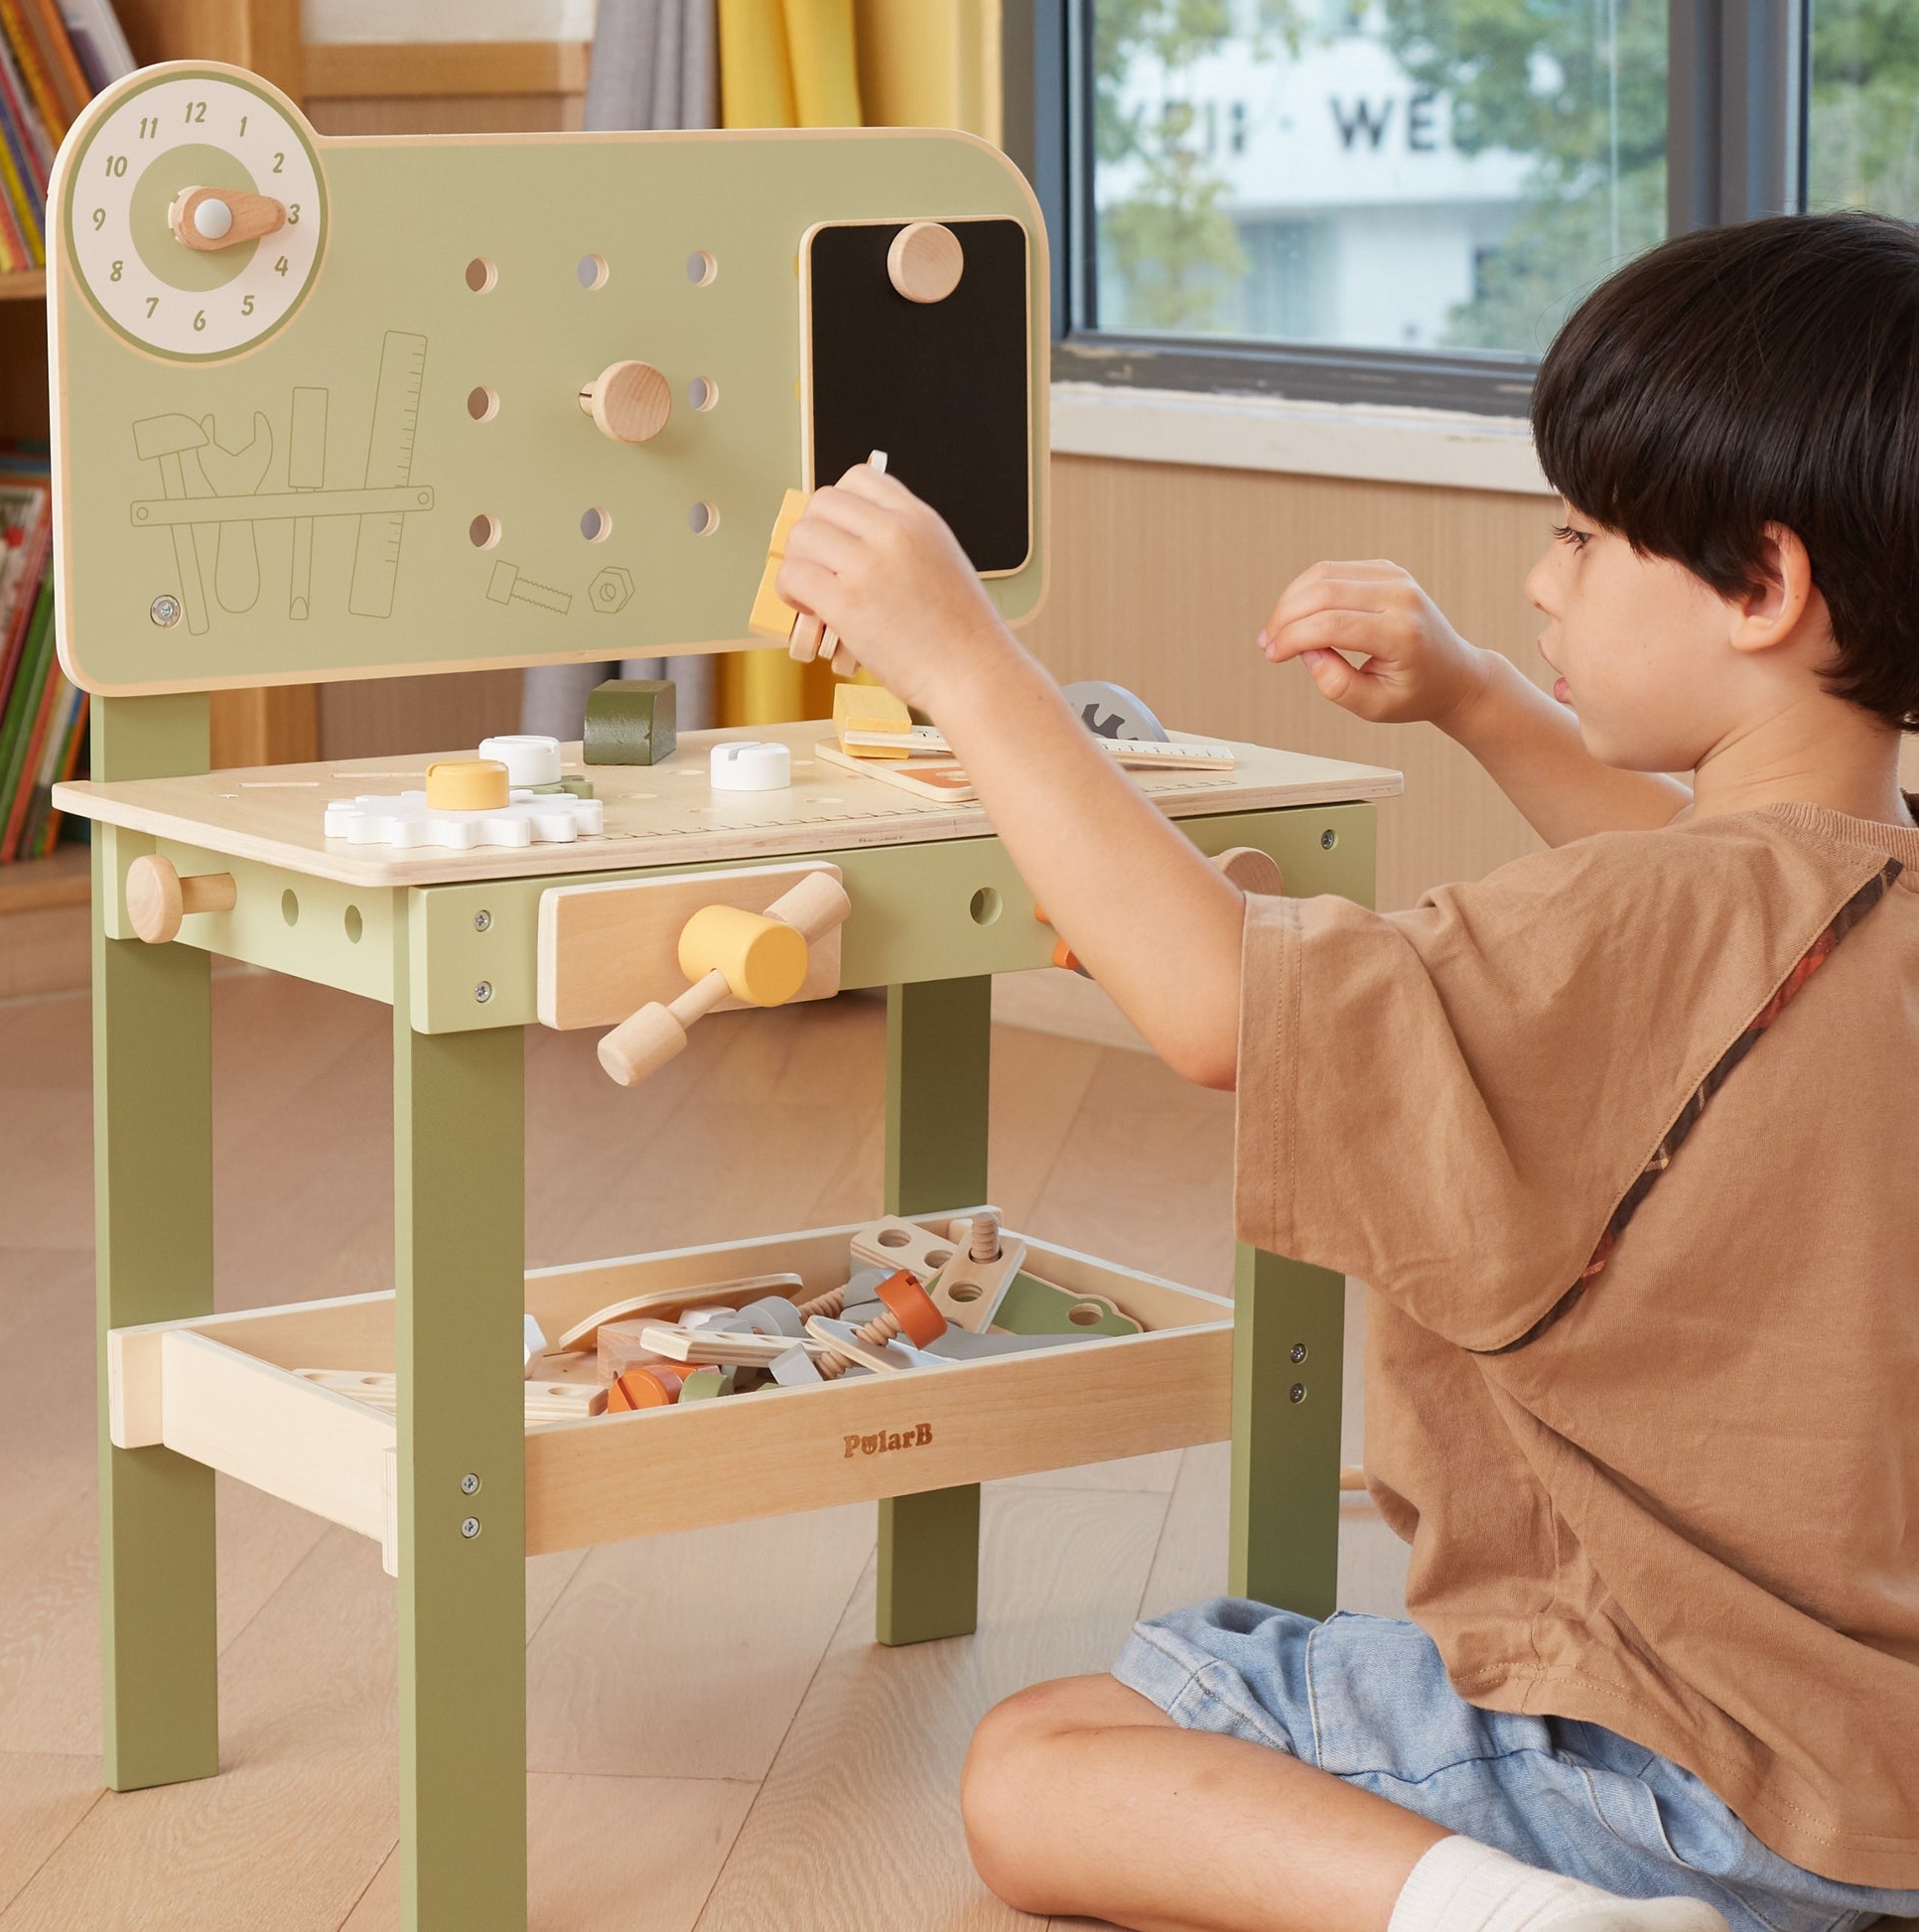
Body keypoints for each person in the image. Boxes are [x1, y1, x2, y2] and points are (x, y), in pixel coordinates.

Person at [772, 210, 1919, 1932]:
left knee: (1035, 1758)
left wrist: (956, 653)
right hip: (1875, 1753)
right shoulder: (1854, 887)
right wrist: (1472, 695)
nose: (1540, 578)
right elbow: (1715, 905)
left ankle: (1548, 1918)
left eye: (1584, 538)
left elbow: (1222, 1012)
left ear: (1760, 586)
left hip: (1685, 1758)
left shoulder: (1636, 922)